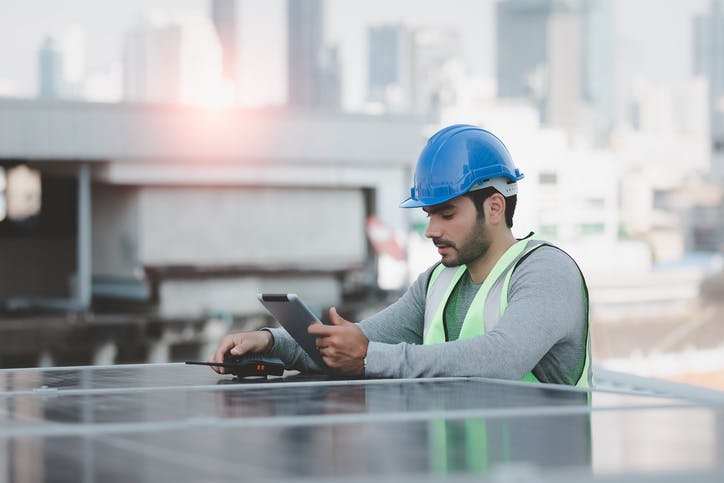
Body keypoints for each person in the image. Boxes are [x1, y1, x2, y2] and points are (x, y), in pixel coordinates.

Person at [209, 124, 592, 386]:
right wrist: (270, 342)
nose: (431, 230)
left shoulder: (546, 271)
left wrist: (370, 358)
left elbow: (503, 358)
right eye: (428, 216)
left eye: (447, 214)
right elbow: (358, 345)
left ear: (494, 207)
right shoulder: (437, 283)